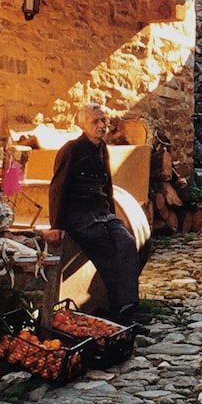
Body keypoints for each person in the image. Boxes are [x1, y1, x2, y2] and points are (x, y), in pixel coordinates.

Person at [44, 103, 146, 332]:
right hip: (79, 216)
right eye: (95, 121)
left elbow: (107, 184)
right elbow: (58, 188)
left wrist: (111, 212)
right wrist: (56, 225)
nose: (101, 126)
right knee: (107, 250)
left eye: (103, 121)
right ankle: (119, 312)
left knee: (127, 242)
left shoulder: (102, 148)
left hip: (102, 214)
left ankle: (129, 306)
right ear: (82, 125)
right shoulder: (71, 150)